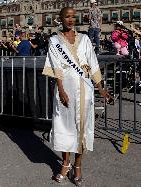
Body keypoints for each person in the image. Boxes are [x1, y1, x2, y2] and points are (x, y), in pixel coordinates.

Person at [42, 7, 111, 186]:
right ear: (61, 18)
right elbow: (56, 68)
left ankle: (78, 166)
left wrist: (100, 88)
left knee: (83, 128)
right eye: (67, 16)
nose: (71, 19)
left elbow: (93, 63)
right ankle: (65, 164)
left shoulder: (85, 39)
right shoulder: (55, 41)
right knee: (65, 127)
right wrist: (61, 90)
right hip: (66, 89)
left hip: (85, 89)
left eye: (74, 16)